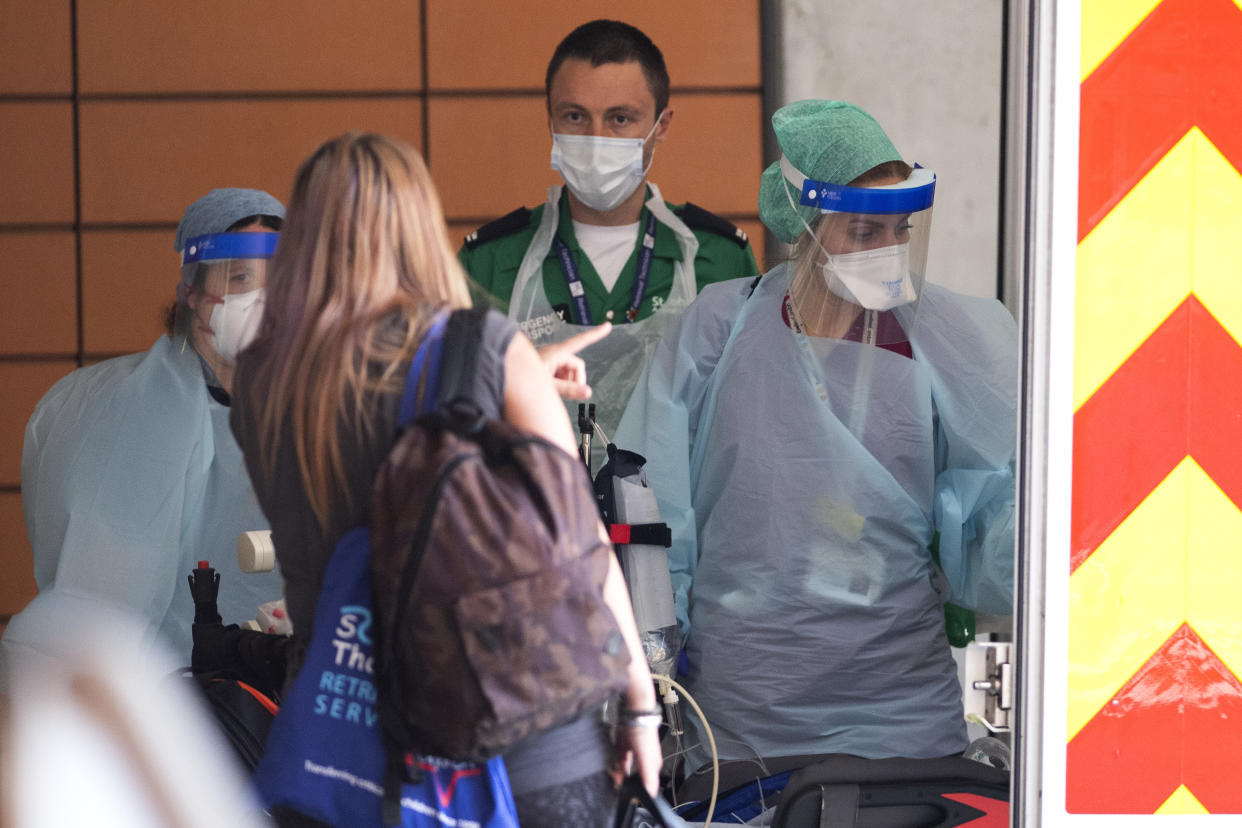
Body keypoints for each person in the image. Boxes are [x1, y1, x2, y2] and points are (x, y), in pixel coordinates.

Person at [229, 132, 661, 826]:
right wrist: (640, 707)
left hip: (346, 733)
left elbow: (368, 426)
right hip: (515, 734)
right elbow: (581, 550)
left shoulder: (263, 375)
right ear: (417, 224)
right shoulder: (483, 345)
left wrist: (509, 379)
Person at [615, 100, 1018, 771]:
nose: (888, 252)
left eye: (900, 230)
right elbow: (654, 512)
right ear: (804, 222)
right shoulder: (723, 328)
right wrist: (654, 671)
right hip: (746, 724)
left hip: (903, 721)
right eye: (864, 232)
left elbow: (998, 520)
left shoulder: (947, 341)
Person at [0, 189, 287, 692]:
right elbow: (101, 596)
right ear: (192, 292)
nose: (259, 300)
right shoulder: (122, 412)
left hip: (280, 690)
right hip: (153, 707)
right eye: (239, 278)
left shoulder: (303, 410)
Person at [459, 19, 758, 459]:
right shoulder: (488, 261)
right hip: (536, 521)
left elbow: (752, 421)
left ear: (662, 125)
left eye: (620, 119)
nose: (596, 140)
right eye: (575, 116)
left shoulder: (718, 258)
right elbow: (447, 415)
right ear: (550, 119)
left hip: (681, 525)